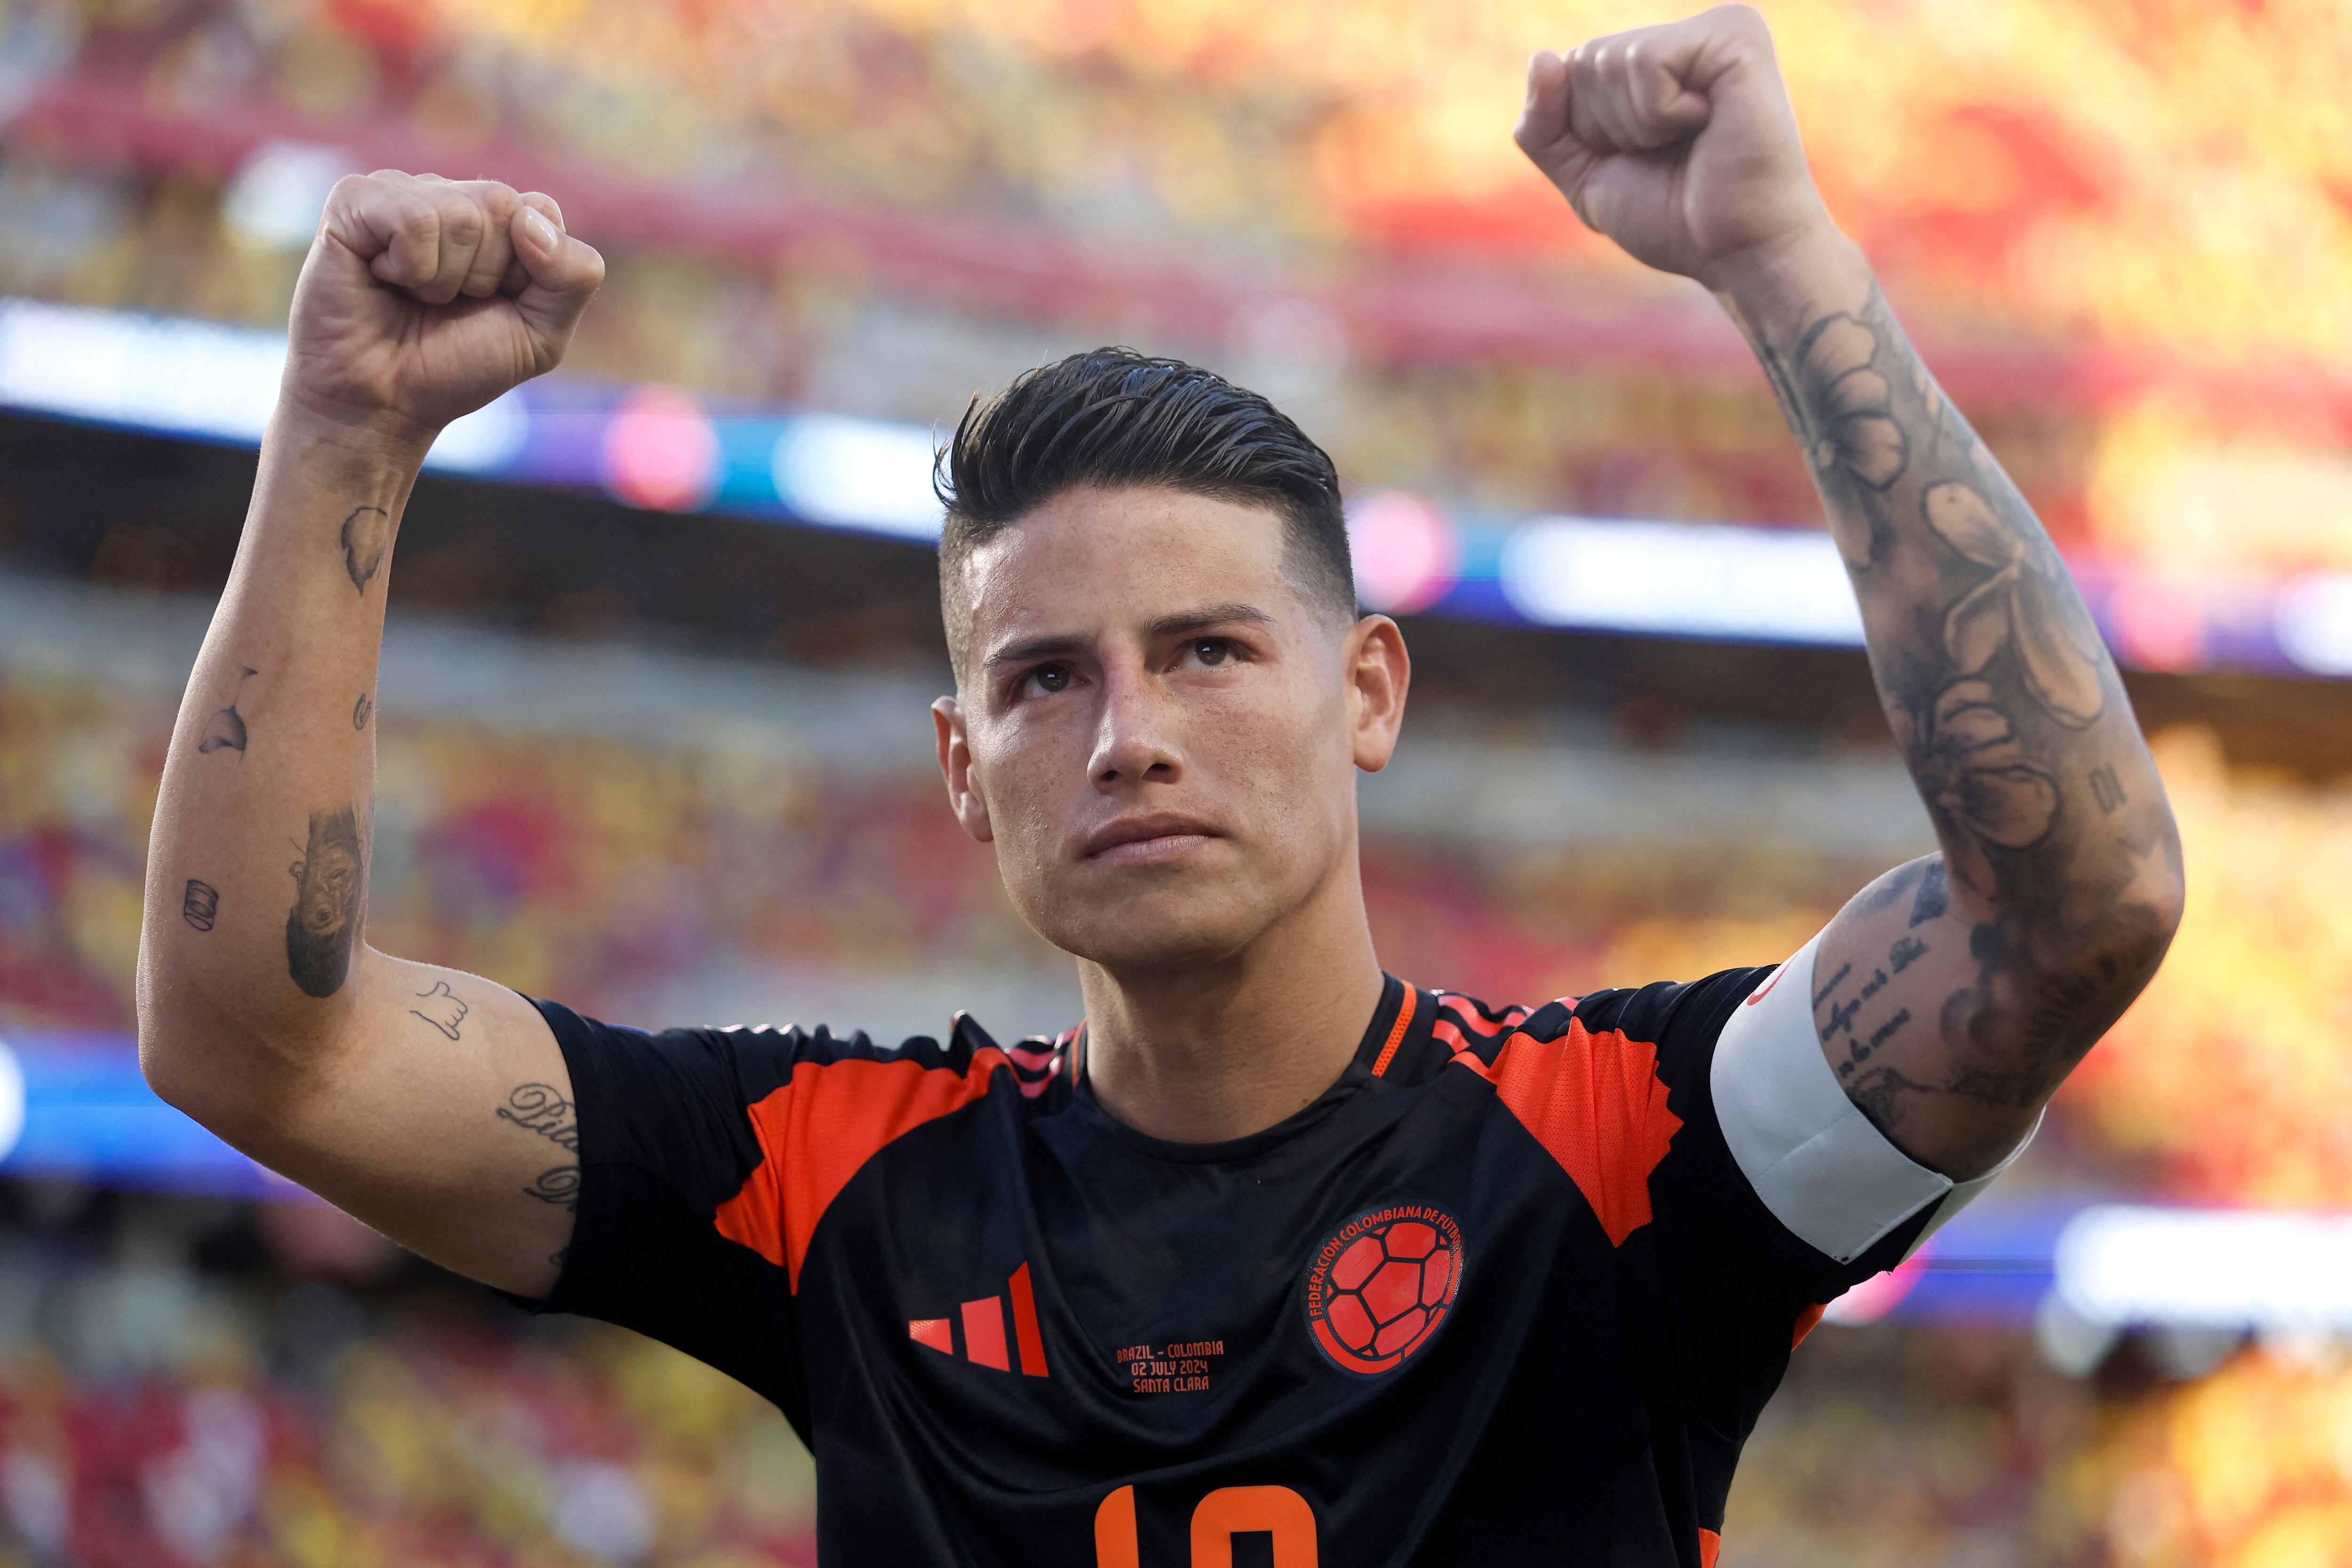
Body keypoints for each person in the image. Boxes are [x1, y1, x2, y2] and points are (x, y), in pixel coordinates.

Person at [136, 6, 2183, 1563]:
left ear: (1367, 691)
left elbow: (2074, 906)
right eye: (1045, 679)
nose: (1126, 731)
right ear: (964, 772)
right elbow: (259, 1048)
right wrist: (342, 431)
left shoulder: (1627, 1142)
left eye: (1208, 650)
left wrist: (1782, 262)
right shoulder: (835, 1179)